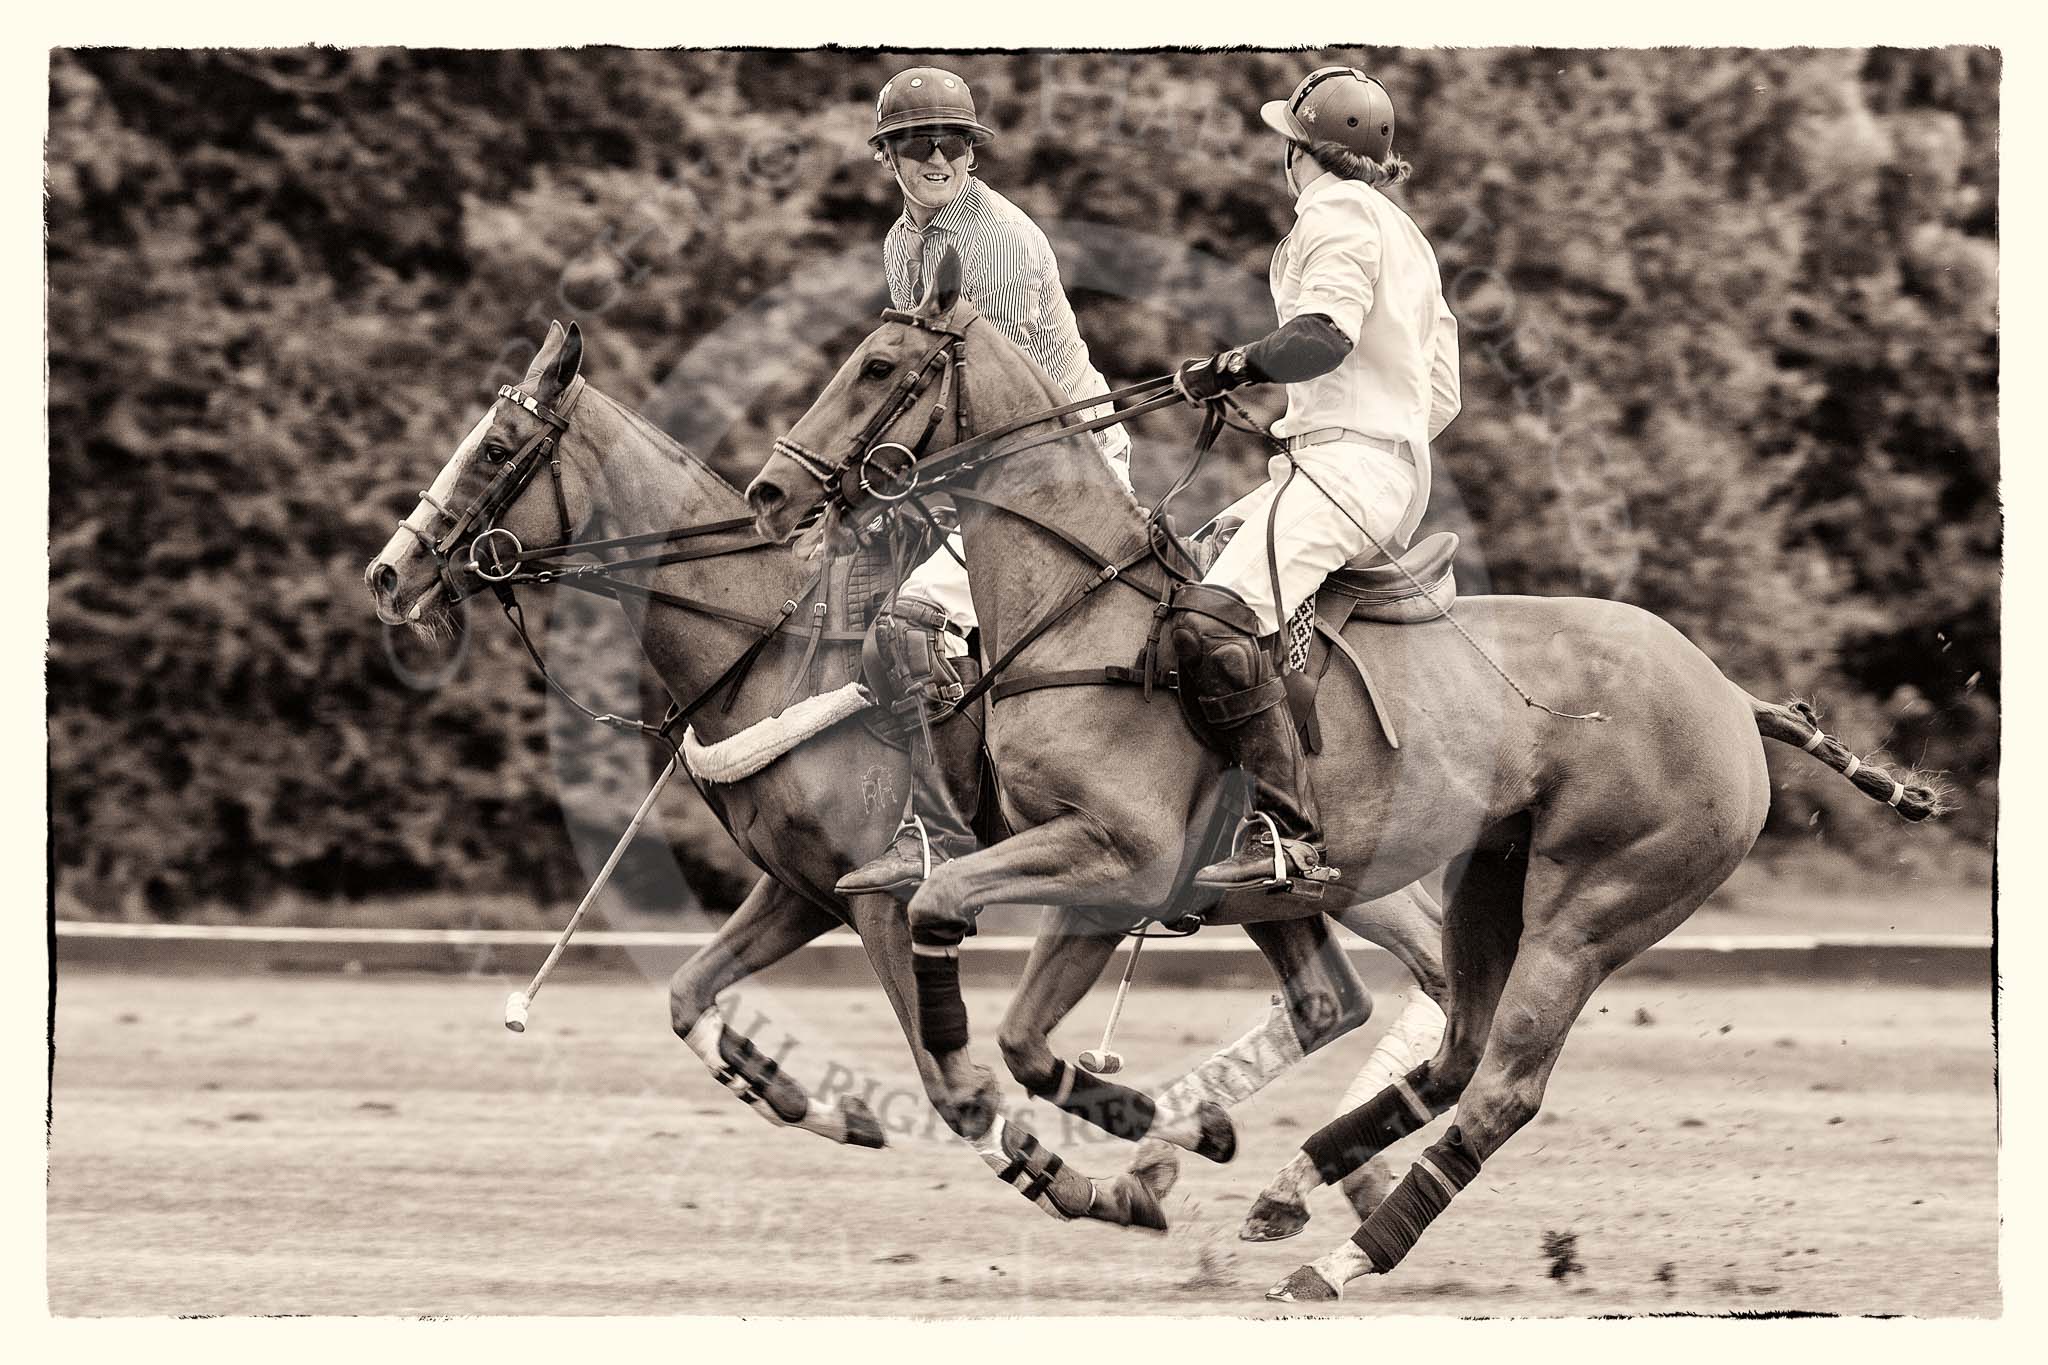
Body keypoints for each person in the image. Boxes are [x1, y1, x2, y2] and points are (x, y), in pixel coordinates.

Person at [837, 65, 1134, 898]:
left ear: (972, 149)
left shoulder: (993, 244)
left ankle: (935, 835)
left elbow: (996, 407)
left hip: (1060, 465)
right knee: (849, 592)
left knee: (908, 626)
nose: (939, 157)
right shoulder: (903, 242)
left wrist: (921, 493)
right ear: (887, 154)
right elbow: (923, 386)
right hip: (989, 465)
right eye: (918, 142)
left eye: (956, 141)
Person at [1170, 64, 1462, 891]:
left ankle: (1283, 833)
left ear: (1297, 152)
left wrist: (1236, 365)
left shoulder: (1330, 214)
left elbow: (1322, 337)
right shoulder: (1406, 233)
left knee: (1212, 617)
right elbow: (1442, 394)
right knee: (1196, 561)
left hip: (1348, 468)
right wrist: (1360, 430)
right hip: (1372, 466)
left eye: (1285, 144)